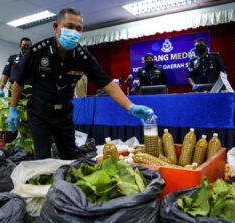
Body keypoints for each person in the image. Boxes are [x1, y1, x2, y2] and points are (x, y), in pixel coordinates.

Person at [8, 8, 156, 160]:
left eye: (78, 29)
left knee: (70, 157)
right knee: (43, 157)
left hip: (63, 114)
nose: (74, 32)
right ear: (55, 27)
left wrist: (130, 106)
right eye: (69, 26)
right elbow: (18, 81)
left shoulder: (82, 57)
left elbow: (107, 83)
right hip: (39, 112)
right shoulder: (37, 52)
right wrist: (12, 108)